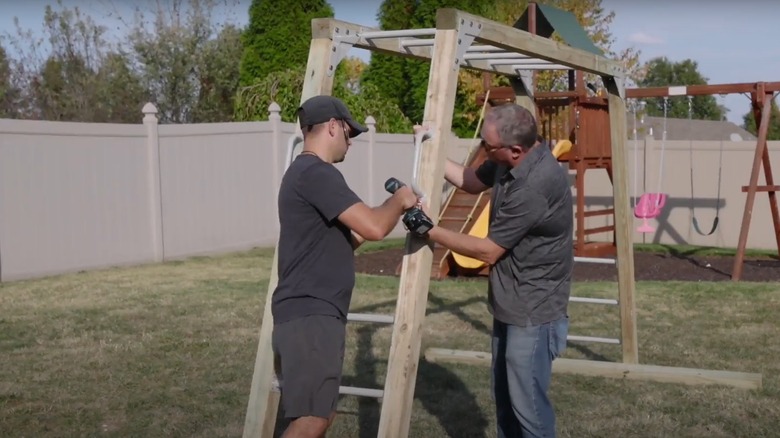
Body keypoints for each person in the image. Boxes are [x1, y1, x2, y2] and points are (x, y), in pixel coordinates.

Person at [419, 103, 573, 438]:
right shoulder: (508, 161)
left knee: (530, 413)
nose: (484, 152)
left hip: (533, 311)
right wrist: (429, 146)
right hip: (509, 304)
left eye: (488, 147)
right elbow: (472, 181)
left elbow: (488, 251)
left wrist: (430, 230)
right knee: (506, 406)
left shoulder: (536, 184)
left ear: (515, 149)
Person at [271, 95, 418, 438]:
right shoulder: (317, 173)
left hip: (309, 310)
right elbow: (375, 227)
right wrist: (399, 200)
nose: (350, 143)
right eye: (349, 134)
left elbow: (350, 237)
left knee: (322, 413)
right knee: (311, 420)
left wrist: (388, 208)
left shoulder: (304, 173)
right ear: (333, 127)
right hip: (311, 313)